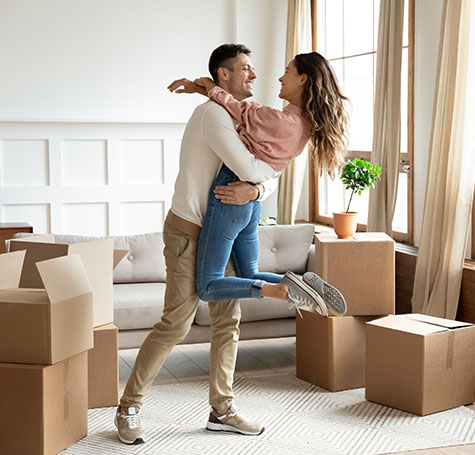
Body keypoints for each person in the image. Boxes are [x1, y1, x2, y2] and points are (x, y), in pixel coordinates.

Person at [114, 44, 329, 444]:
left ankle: (222, 409)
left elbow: (266, 172)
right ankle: (129, 407)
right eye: (245, 69)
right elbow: (250, 168)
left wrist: (259, 187)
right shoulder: (213, 115)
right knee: (176, 323)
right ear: (223, 75)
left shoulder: (240, 113)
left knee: (228, 322)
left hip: (222, 229)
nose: (255, 75)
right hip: (189, 230)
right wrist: (258, 184)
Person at [167, 51, 350, 317]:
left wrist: (202, 87)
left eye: (287, 71)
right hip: (251, 204)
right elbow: (270, 171)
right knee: (249, 273)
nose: (279, 77)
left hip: (230, 195)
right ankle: (304, 285)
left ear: (302, 79)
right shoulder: (303, 125)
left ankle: (277, 291)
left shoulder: (279, 120)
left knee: (207, 286)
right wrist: (257, 191)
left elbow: (239, 111)